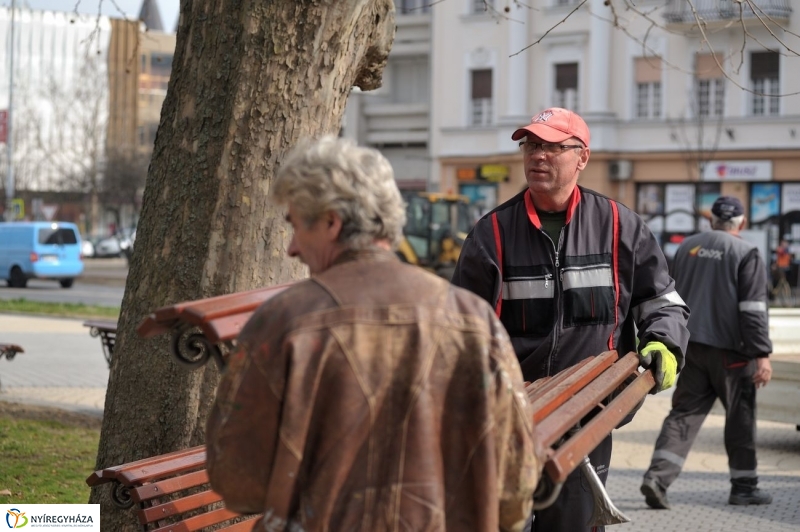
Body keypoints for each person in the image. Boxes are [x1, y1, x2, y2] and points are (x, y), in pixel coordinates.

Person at [205, 136, 542, 531]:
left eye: (295, 225)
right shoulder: (472, 318)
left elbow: (238, 479)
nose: (291, 249)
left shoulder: (283, 321)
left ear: (331, 222)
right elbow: (516, 481)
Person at [451, 107, 690, 532]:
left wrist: (664, 344)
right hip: (513, 421)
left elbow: (661, 299)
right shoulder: (493, 234)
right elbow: (460, 328)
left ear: (581, 157)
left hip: (590, 417)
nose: (537, 156)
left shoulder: (620, 226)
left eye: (552, 147)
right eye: (531, 145)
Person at [641, 196, 774, 509]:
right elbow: (752, 310)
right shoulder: (746, 252)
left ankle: (657, 478)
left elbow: (669, 293)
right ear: (741, 222)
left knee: (684, 414)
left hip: (692, 347)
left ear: (711, 220)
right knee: (740, 418)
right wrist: (762, 354)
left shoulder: (687, 247)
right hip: (732, 352)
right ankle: (744, 487)